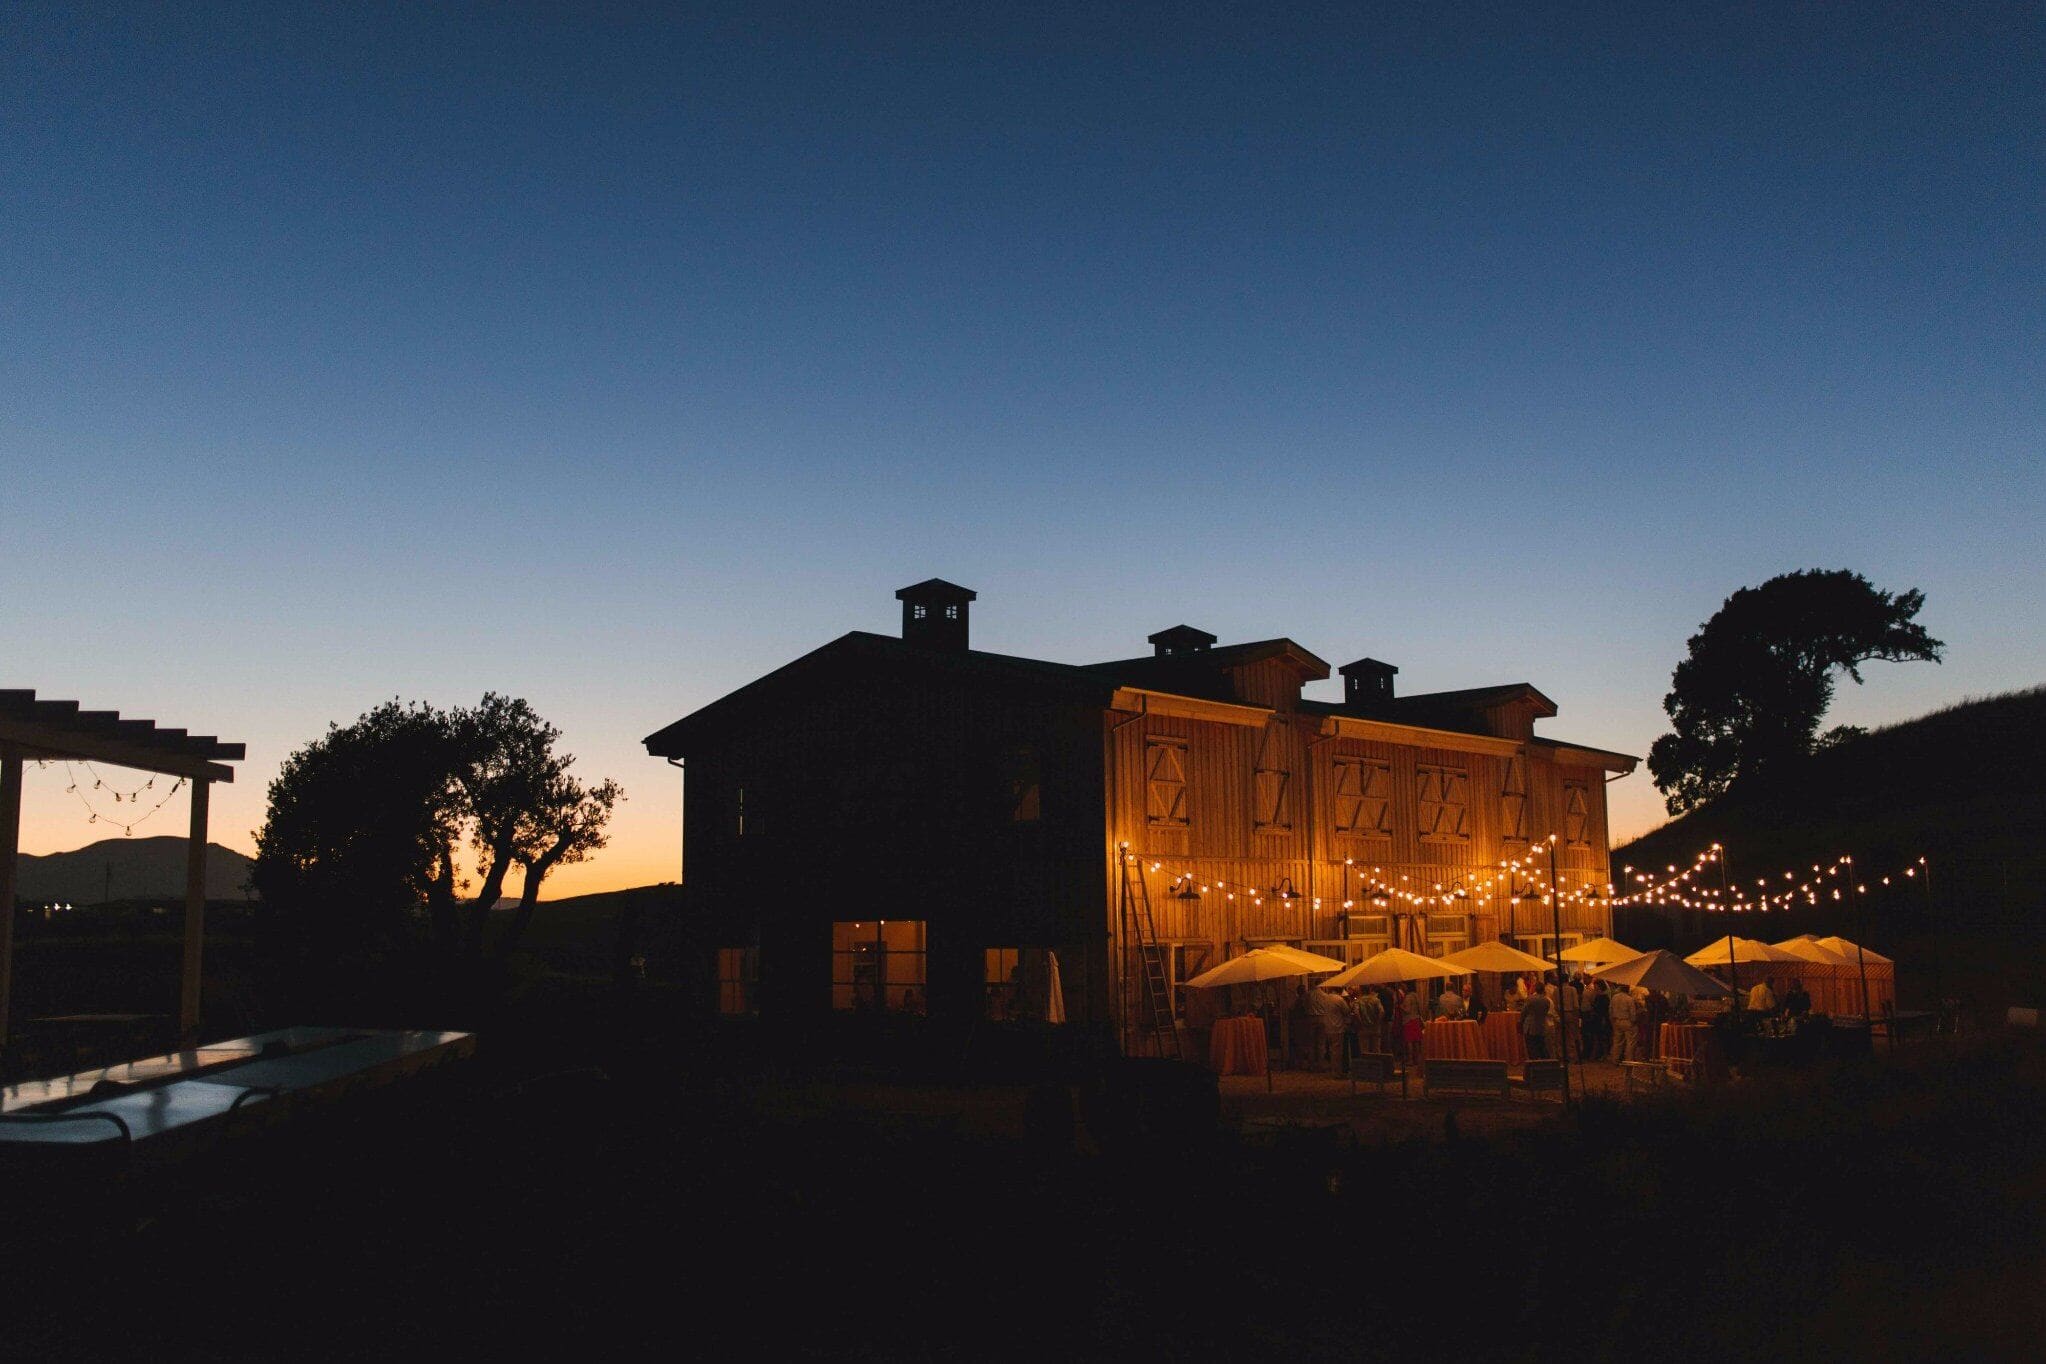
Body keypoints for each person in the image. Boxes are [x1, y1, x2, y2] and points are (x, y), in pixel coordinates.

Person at [1608, 982, 1640, 1063]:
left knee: (1617, 1041)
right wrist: (1633, 1022)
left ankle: (1615, 1059)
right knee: (1630, 1042)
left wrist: (1612, 1021)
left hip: (1617, 1020)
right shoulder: (1629, 999)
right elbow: (1632, 1013)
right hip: (1627, 1021)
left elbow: (1610, 1010)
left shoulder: (1614, 997)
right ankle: (1628, 1059)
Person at [1520, 987, 1552, 1060]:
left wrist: (1521, 1021)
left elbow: (1524, 1012)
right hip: (1541, 1026)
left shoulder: (1530, 999)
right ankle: (1544, 1062)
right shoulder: (1547, 1001)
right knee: (1541, 1046)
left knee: (1531, 1047)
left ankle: (1533, 1063)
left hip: (1530, 1026)